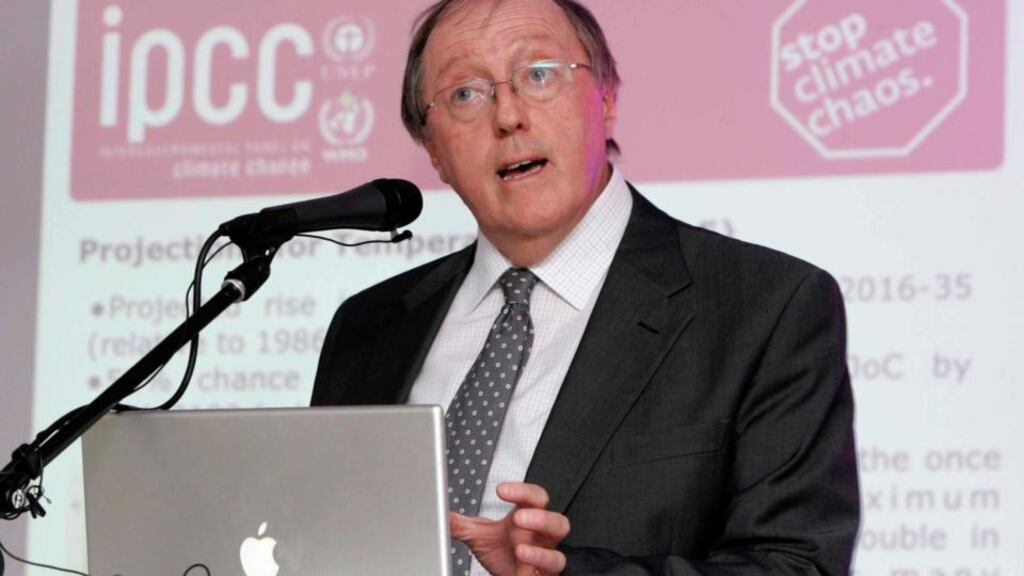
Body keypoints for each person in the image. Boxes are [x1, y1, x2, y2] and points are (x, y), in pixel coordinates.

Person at [311, 0, 860, 574]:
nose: (508, 117)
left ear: (607, 100)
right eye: (466, 94)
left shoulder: (765, 308)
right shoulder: (369, 327)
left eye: (539, 75)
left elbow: (797, 565)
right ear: (434, 152)